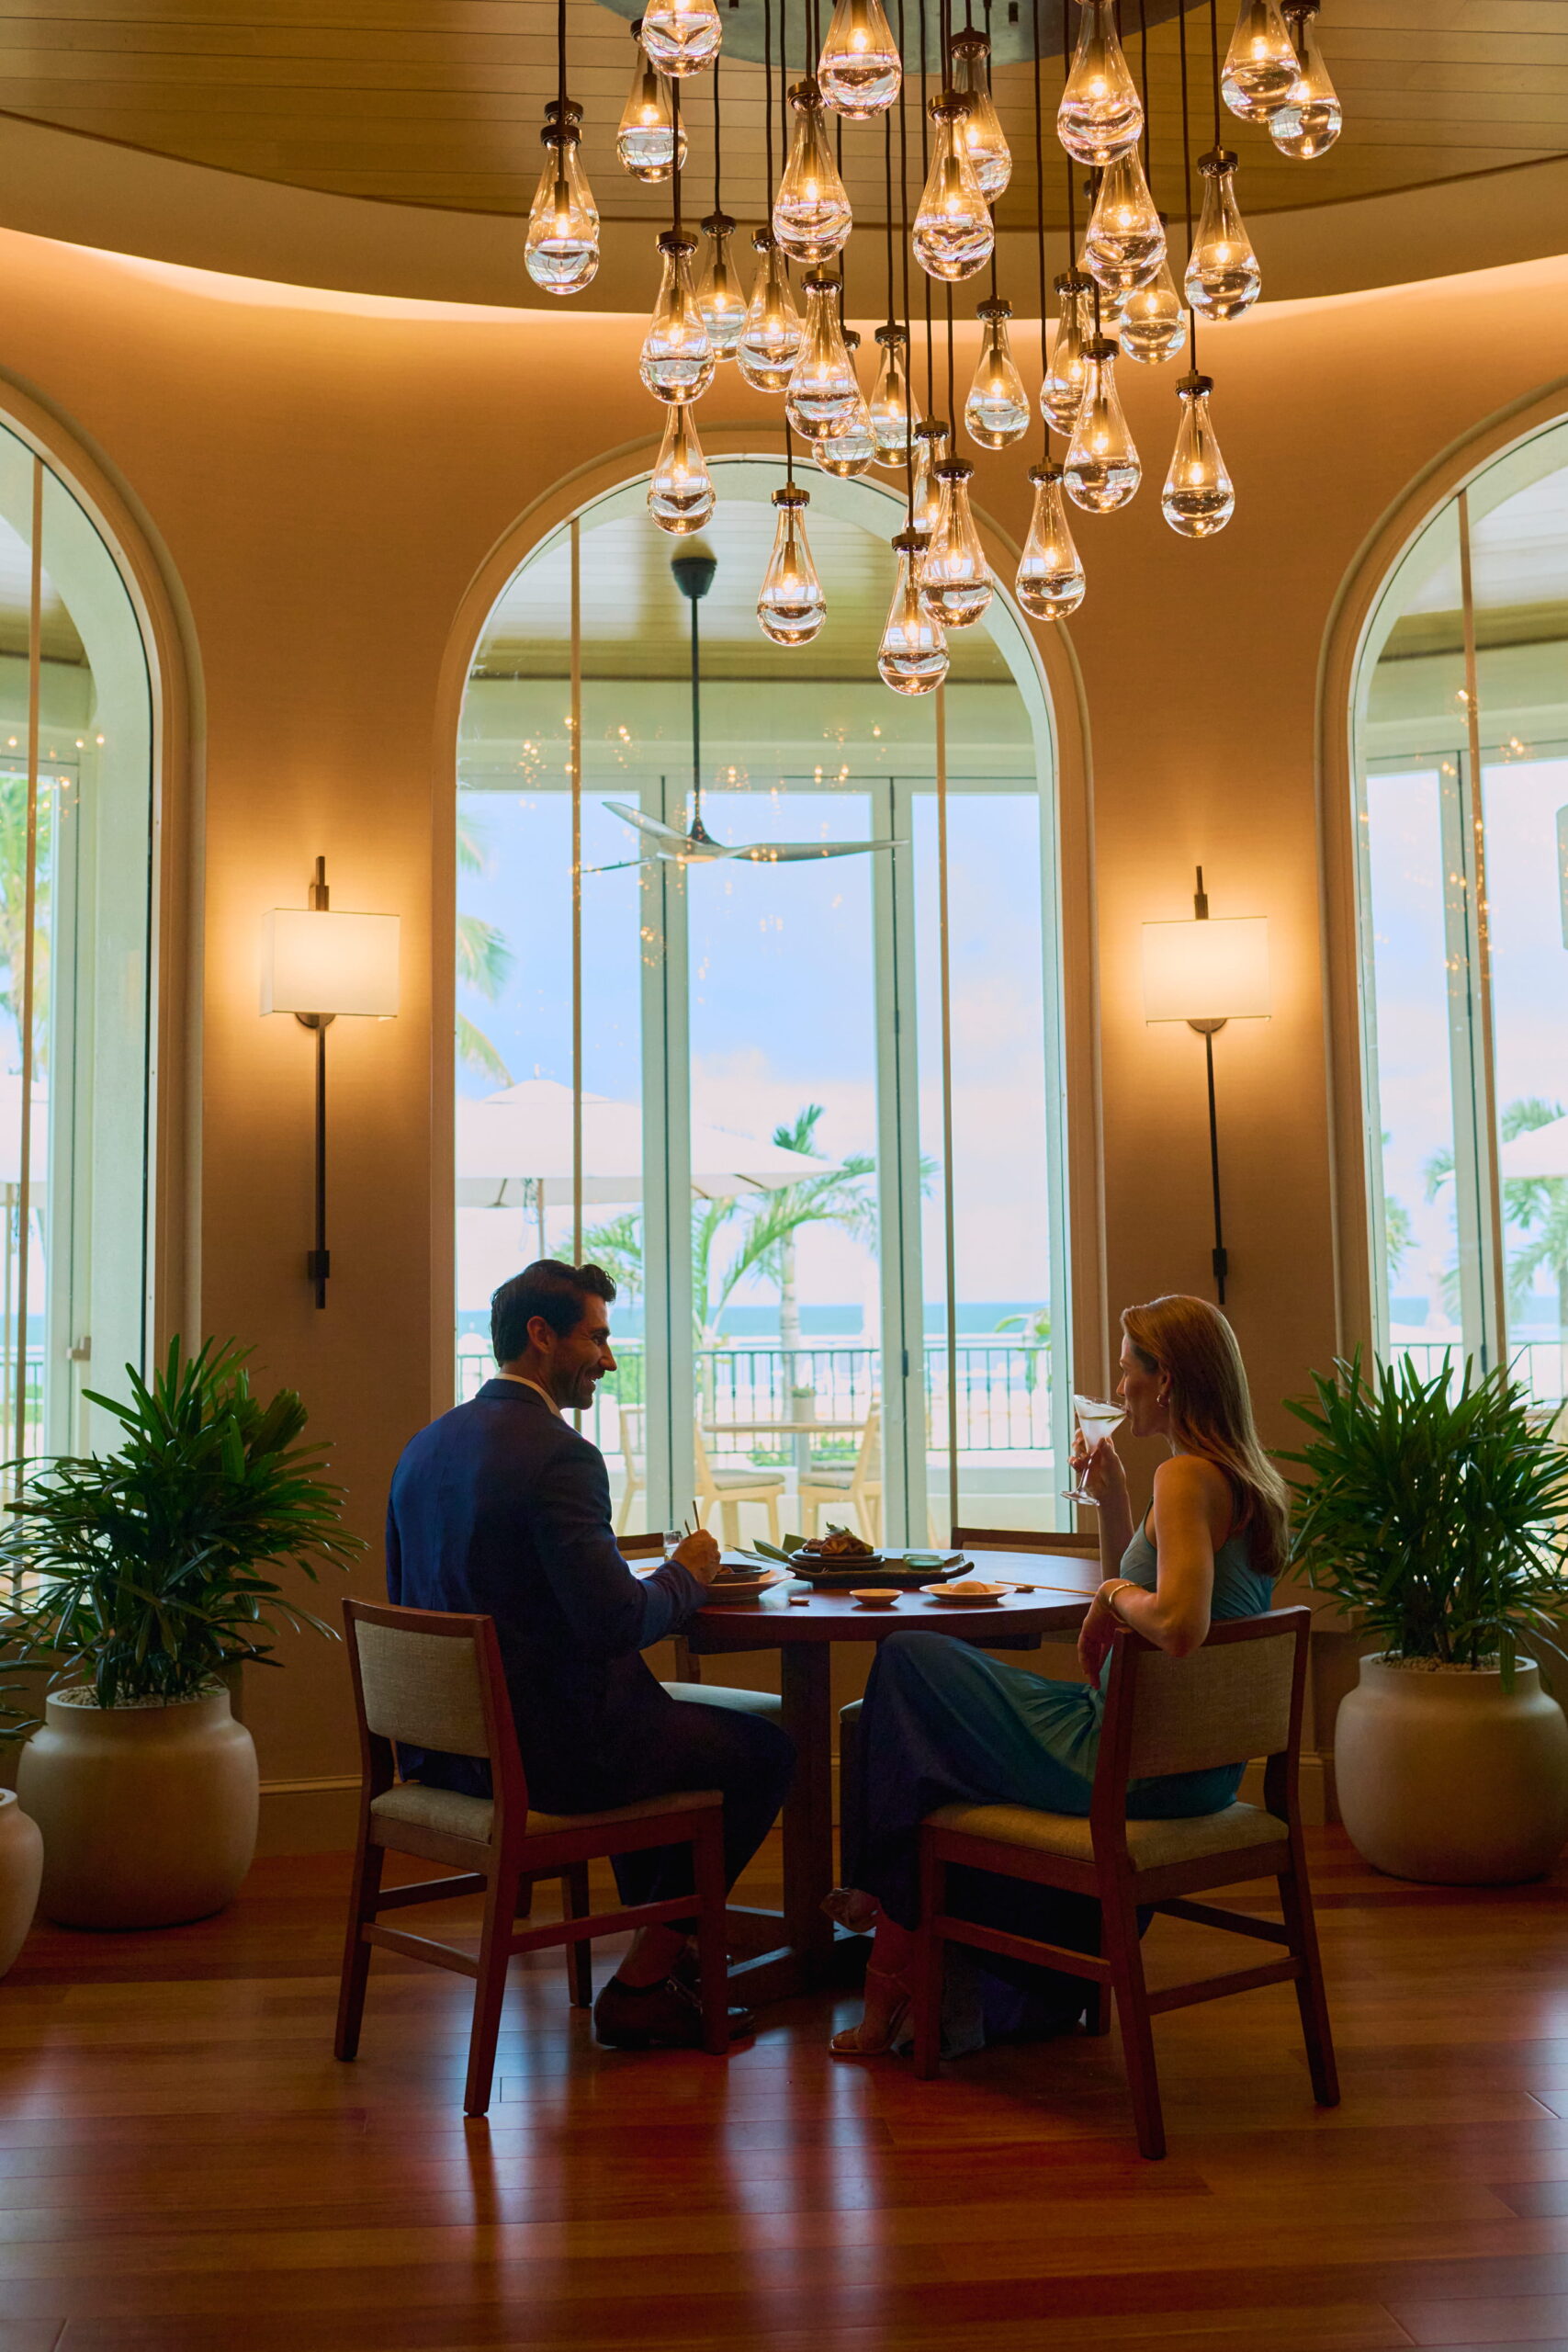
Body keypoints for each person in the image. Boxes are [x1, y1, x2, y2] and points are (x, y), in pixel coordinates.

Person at [826, 1294, 1288, 2057]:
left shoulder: (1186, 1476)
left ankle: (889, 1931)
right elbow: (1148, 1617)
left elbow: (1177, 1626)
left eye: (1127, 1370)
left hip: (1123, 1760)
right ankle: (913, 1951)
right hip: (1191, 1770)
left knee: (908, 1660)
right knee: (923, 1725)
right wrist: (1114, 1504)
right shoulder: (1247, 1481)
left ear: (1166, 1380)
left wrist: (1109, 1594)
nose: (1119, 1386)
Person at [386, 1259, 795, 2052]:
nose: (607, 1359)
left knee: (670, 1735)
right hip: (552, 1761)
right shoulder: (560, 1455)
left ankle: (663, 1948)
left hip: (450, 1757)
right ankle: (644, 1981)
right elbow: (615, 1623)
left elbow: (419, 1593)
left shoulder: (425, 1448)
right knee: (764, 1753)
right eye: (596, 1338)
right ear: (540, 1335)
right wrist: (688, 1574)